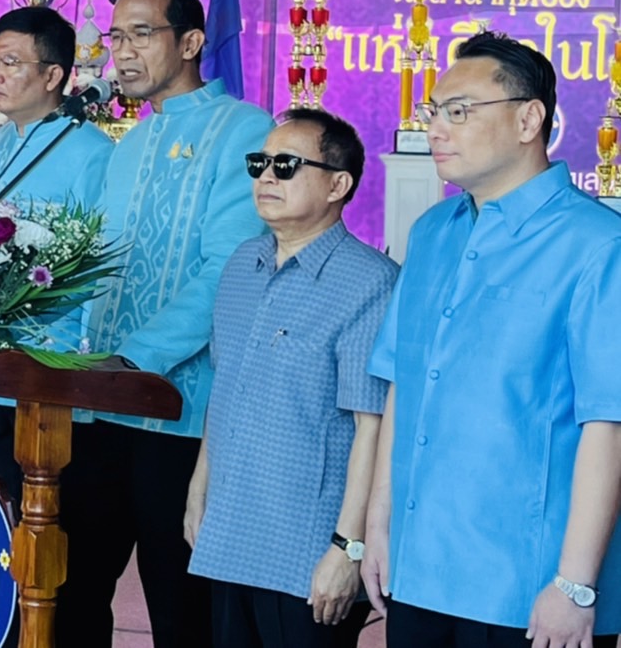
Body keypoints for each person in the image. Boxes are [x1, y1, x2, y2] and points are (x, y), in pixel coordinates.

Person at [363, 32, 621, 648]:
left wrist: (575, 585)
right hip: (419, 566)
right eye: (433, 111)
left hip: (527, 586)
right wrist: (378, 525)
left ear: (529, 119)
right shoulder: (432, 232)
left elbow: (608, 423)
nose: (436, 129)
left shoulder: (597, 244)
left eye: (459, 111)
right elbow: (404, 383)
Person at [61, 0, 273, 648]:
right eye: (115, 37)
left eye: (140, 34)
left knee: (182, 610)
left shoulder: (246, 129)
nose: (121, 52)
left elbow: (228, 271)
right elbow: (97, 269)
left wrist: (134, 359)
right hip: (98, 407)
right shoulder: (130, 143)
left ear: (190, 42)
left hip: (179, 415)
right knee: (71, 597)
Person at [184, 109, 394, 648]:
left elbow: (372, 429)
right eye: (259, 164)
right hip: (230, 533)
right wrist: (198, 490)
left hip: (307, 549)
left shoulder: (370, 282)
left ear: (338, 185)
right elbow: (224, 391)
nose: (266, 177)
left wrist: (348, 547)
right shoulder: (242, 264)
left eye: (286, 165)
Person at [0, 6, 114, 501]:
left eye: (10, 63)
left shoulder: (91, 151)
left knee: (42, 506)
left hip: (51, 362)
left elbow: (98, 264)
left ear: (53, 76)